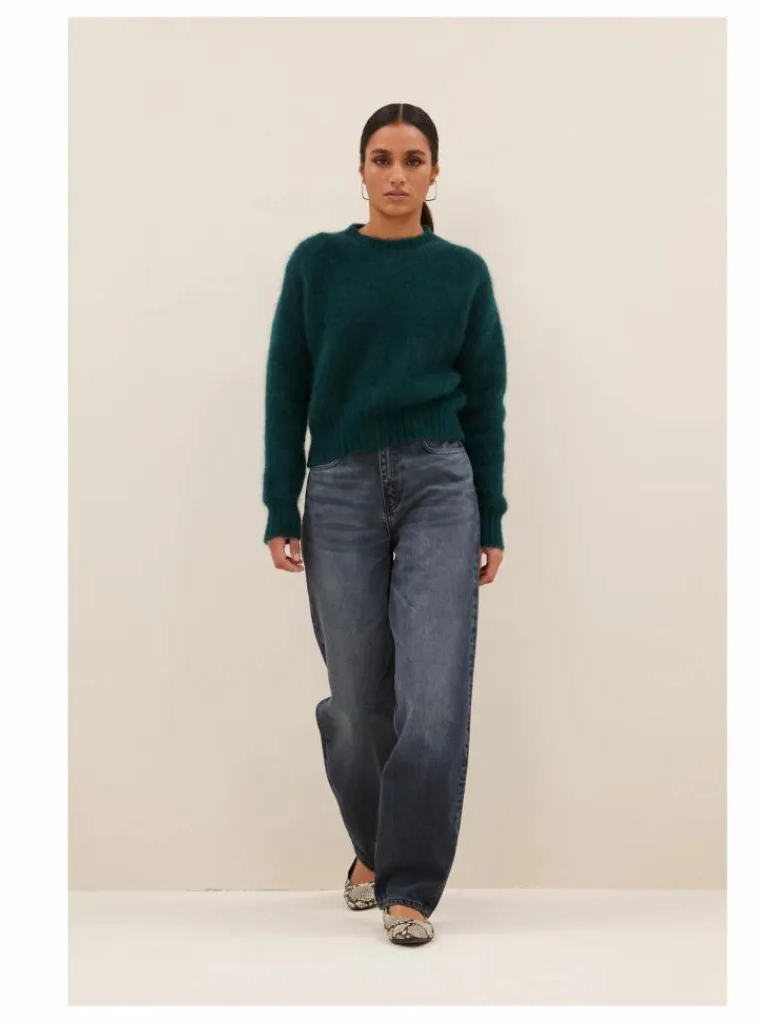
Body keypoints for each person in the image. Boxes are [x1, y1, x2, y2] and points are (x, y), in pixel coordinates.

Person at [261, 102, 508, 946]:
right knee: (359, 705)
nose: (397, 174)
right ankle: (372, 845)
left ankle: (410, 886)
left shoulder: (462, 274)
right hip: (339, 491)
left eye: (413, 159)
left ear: (435, 173)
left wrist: (491, 516)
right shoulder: (318, 263)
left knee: (432, 700)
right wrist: (279, 500)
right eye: (381, 157)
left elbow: (486, 402)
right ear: (361, 169)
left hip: (441, 484)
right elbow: (287, 386)